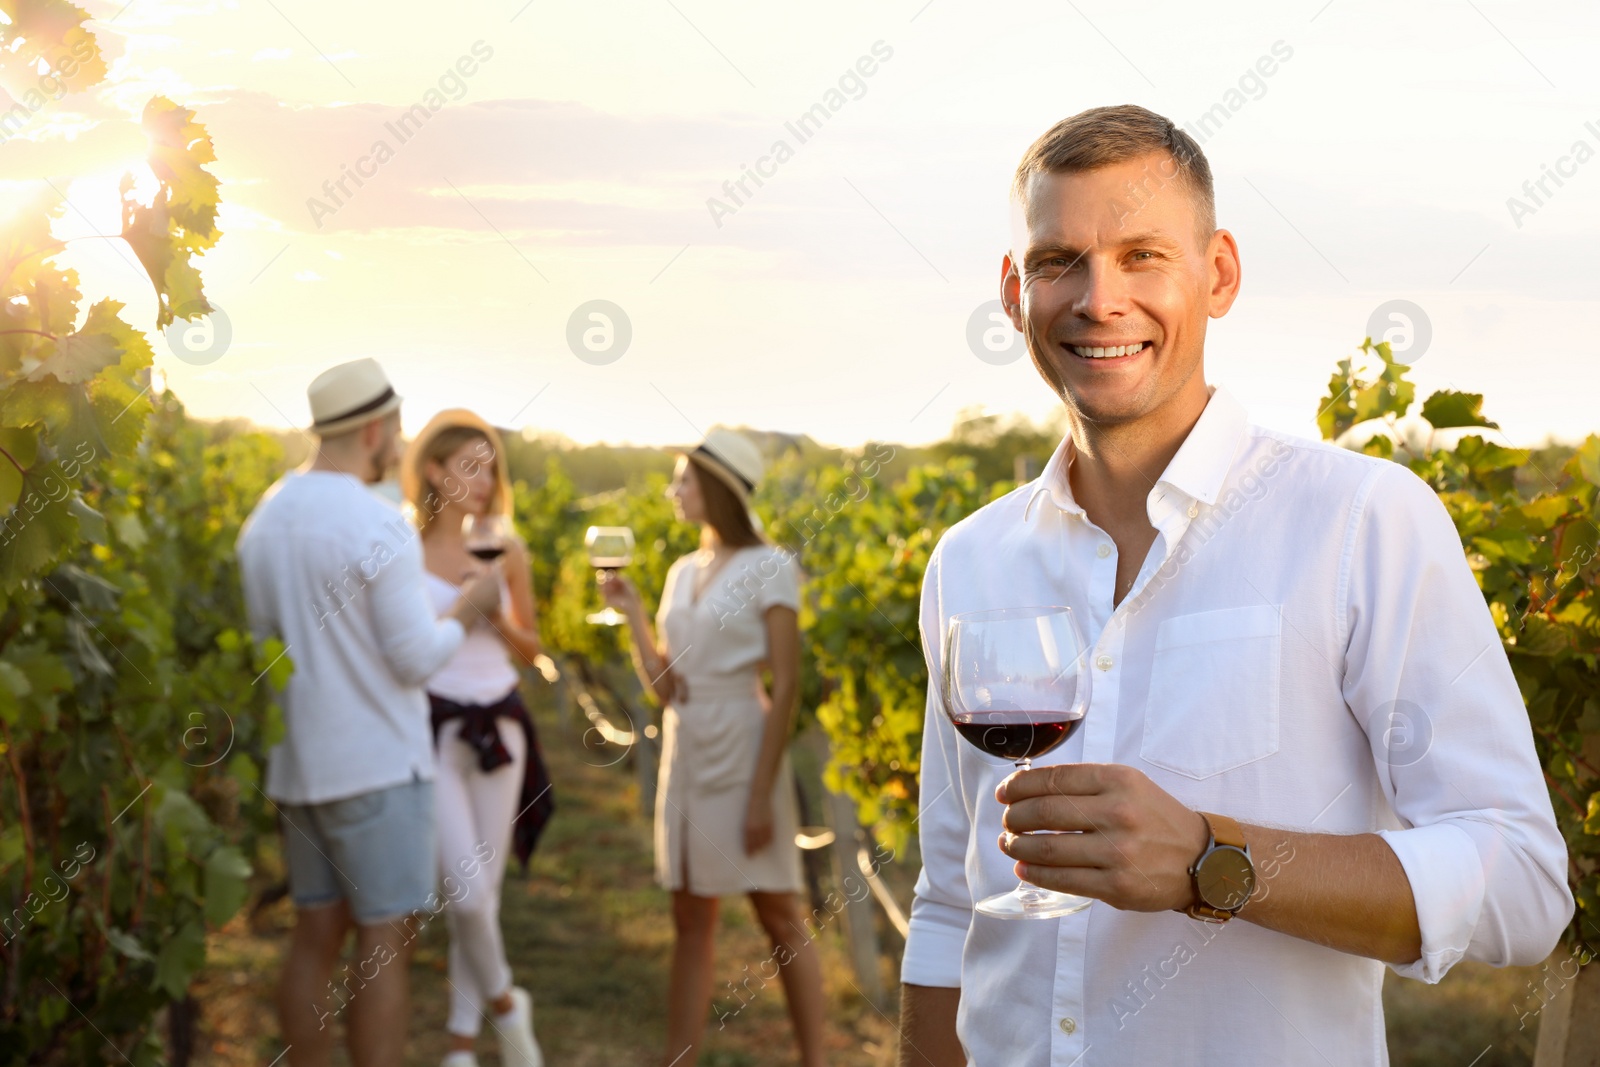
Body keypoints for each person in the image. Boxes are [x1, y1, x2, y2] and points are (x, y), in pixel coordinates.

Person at [898, 105, 1574, 1066]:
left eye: (1142, 256)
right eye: (1058, 261)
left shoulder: (1360, 520)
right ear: (1014, 291)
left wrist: (1212, 861)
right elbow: (950, 898)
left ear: (1218, 274)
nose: (1099, 298)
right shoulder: (968, 560)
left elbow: (1523, 885)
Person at [236, 359, 503, 1067]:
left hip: (298, 770)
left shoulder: (263, 519)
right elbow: (416, 658)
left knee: (313, 937)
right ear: (376, 429)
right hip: (380, 768)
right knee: (384, 943)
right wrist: (468, 611)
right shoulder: (378, 524)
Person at [599, 428, 828, 1067]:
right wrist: (635, 616)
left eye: (684, 480)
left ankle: (817, 1059)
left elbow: (786, 688)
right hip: (687, 743)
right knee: (690, 916)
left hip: (743, 746)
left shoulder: (771, 567)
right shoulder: (679, 571)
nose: (674, 490)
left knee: (779, 912)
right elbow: (668, 688)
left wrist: (761, 795)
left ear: (718, 489)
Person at [401, 409, 552, 1067]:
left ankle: (461, 1045)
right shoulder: (401, 548)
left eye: (491, 466)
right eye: (470, 464)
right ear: (434, 470)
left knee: (481, 896)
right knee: (461, 891)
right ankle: (507, 1009)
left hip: (500, 726)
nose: (485, 479)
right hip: (434, 725)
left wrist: (495, 613)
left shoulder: (506, 547)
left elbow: (530, 649)